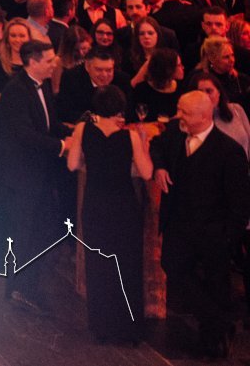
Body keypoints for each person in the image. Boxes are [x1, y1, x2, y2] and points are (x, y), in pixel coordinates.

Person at [150, 91, 250, 359]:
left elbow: (240, 201)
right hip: (179, 225)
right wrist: (159, 167)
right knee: (172, 266)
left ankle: (213, 343)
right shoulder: (175, 133)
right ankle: (220, 322)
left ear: (204, 116)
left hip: (213, 231)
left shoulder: (229, 151)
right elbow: (157, 145)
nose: (178, 116)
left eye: (184, 112)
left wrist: (228, 237)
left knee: (217, 285)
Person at [67, 85, 152, 344]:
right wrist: (144, 144)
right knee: (127, 265)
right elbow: (146, 172)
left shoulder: (83, 130)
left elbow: (72, 164)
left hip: (95, 204)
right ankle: (128, 329)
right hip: (124, 206)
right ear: (120, 109)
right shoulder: (130, 137)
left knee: (99, 264)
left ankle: (101, 327)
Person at [0, 39, 72, 315]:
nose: (54, 65)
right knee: (25, 233)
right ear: (33, 62)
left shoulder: (43, 85)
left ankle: (27, 286)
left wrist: (72, 131)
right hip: (21, 175)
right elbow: (24, 134)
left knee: (43, 230)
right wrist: (62, 146)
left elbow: (48, 123)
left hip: (39, 173)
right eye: (49, 60)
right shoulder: (15, 91)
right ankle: (20, 289)